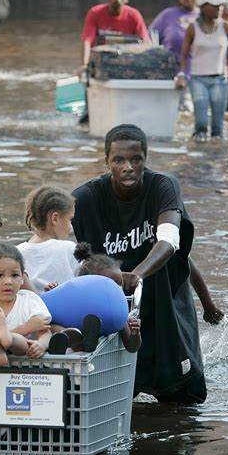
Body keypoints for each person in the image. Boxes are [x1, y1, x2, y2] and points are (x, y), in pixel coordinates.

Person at [71, 124, 207, 404]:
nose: (128, 167)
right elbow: (66, 251)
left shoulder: (163, 187)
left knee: (183, 395)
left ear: (146, 158)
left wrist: (137, 274)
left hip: (163, 294)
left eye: (136, 159)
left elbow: (170, 241)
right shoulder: (85, 198)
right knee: (112, 394)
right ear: (106, 161)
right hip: (115, 302)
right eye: (118, 160)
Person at [178, 0, 228, 140]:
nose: (220, 9)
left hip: (220, 80)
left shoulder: (227, 27)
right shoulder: (193, 28)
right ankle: (198, 156)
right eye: (216, 6)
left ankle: (216, 159)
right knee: (201, 124)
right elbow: (184, 55)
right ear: (204, 7)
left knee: (218, 129)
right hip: (198, 80)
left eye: (221, 5)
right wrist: (182, 75)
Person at [47, 242, 142, 355]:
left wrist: (135, 334)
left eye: (120, 284)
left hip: (97, 361)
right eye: (111, 284)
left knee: (85, 327)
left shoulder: (117, 312)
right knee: (51, 323)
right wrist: (54, 291)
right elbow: (59, 308)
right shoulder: (77, 301)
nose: (118, 289)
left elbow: (131, 346)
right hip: (73, 347)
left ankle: (85, 340)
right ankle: (66, 338)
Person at [0, 243, 52, 366]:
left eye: (14, 275)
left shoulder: (30, 299)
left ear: (23, 277)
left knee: (19, 341)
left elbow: (46, 333)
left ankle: (6, 339)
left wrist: (41, 345)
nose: (8, 282)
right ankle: (3, 342)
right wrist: (26, 328)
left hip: (28, 361)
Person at [149, 0, 203, 111]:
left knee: (195, 110)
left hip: (199, 72)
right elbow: (151, 36)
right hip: (172, 70)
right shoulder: (168, 14)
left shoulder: (204, 16)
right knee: (171, 109)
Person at [78, 0, 150, 74]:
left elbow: (145, 43)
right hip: (100, 61)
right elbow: (87, 41)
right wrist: (84, 65)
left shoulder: (134, 16)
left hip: (126, 61)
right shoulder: (95, 13)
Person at [17, 186, 79, 292]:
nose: (71, 227)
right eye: (69, 219)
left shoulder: (17, 252)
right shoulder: (69, 249)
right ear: (55, 218)